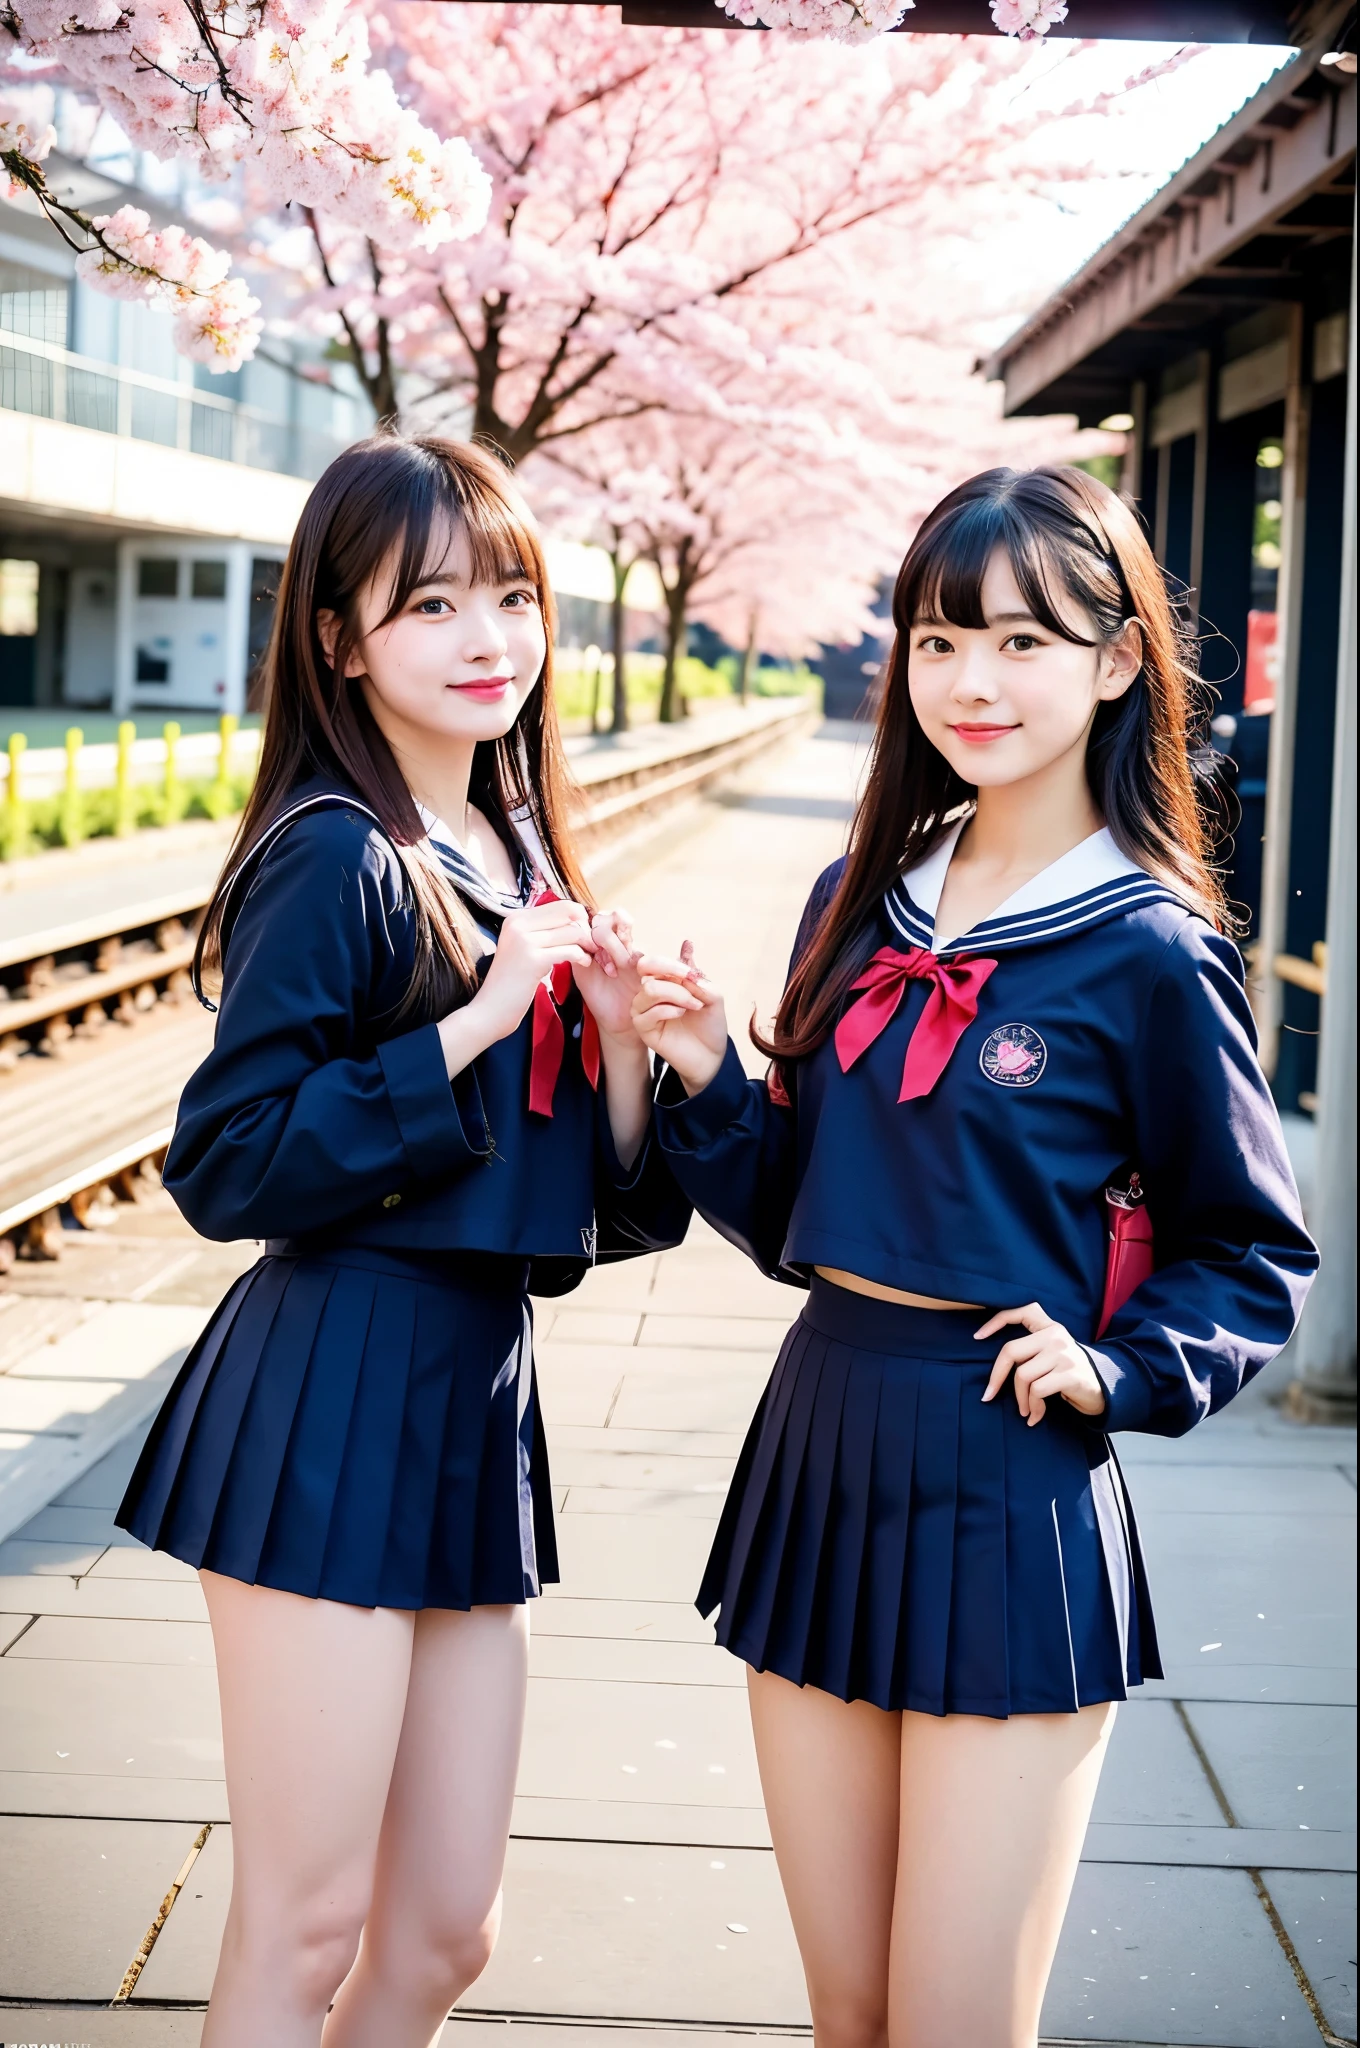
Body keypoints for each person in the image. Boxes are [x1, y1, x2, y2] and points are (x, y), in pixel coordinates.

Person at [630, 467, 1317, 2048]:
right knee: (849, 2012)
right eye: (940, 640)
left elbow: (1253, 1250)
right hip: (821, 1443)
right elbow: (793, 1213)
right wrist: (703, 1074)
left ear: (1118, 661)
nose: (973, 682)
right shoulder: (861, 899)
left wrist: (1122, 1366)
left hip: (1011, 1474)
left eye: (1023, 640)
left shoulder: (1150, 945)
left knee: (951, 2026)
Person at [117, 433, 689, 2047]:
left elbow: (601, 1202)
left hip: (473, 1398)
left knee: (446, 1935)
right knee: (305, 1926)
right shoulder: (333, 851)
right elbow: (227, 1163)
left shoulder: (519, 850)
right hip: (332, 1386)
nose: (489, 636)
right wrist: (475, 1023)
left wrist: (628, 1043)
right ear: (337, 636)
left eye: (511, 594)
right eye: (430, 602)